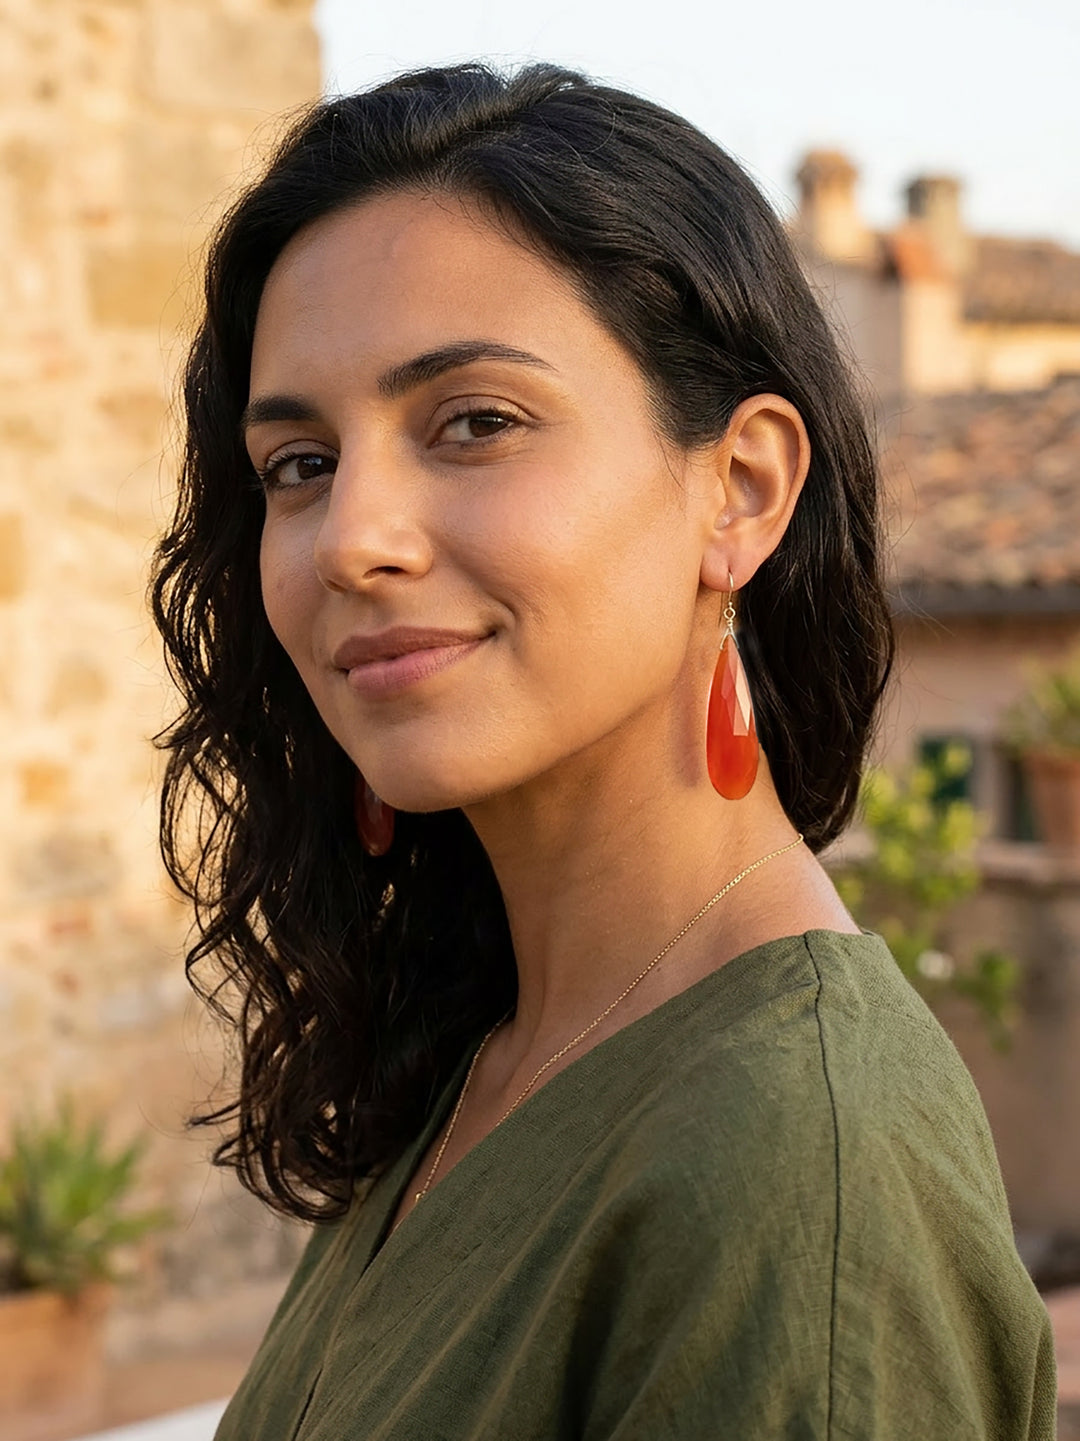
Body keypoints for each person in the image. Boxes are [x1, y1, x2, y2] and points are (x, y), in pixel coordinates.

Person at [150, 61, 1056, 1440]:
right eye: (300, 463)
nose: (351, 538)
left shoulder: (797, 1165)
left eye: (474, 422)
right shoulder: (488, 1054)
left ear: (740, 489)